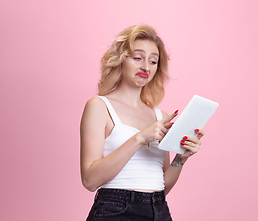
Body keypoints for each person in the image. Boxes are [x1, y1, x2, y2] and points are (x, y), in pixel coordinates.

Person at [80, 24, 204, 221]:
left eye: (153, 61)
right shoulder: (99, 106)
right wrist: (139, 138)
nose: (146, 66)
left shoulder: (160, 116)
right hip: (115, 210)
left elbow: (161, 185)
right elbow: (89, 180)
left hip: (159, 210)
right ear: (120, 60)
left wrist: (182, 157)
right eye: (138, 58)